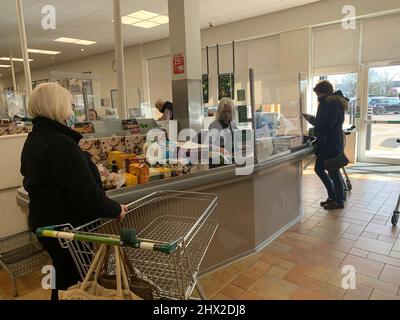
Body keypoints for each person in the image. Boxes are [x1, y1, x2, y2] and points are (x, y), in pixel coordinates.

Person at [20, 83, 127, 300]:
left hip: (47, 225)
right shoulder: (61, 145)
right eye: (69, 103)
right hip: (68, 230)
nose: (72, 109)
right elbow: (88, 199)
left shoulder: (35, 139)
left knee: (63, 278)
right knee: (76, 284)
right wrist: (116, 209)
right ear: (58, 106)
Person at [303, 80, 348, 210]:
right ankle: (332, 196)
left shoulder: (332, 104)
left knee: (334, 172)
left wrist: (312, 120)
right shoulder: (326, 102)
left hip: (331, 144)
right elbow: (324, 121)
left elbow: (327, 125)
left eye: (318, 93)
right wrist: (313, 119)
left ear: (325, 92)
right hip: (325, 143)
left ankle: (338, 201)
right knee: (319, 169)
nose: (317, 95)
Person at [208, 97, 238, 167]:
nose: (227, 114)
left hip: (232, 159)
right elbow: (208, 145)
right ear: (220, 112)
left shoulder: (233, 124)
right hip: (219, 162)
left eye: (229, 111)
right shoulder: (214, 126)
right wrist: (219, 149)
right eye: (224, 111)